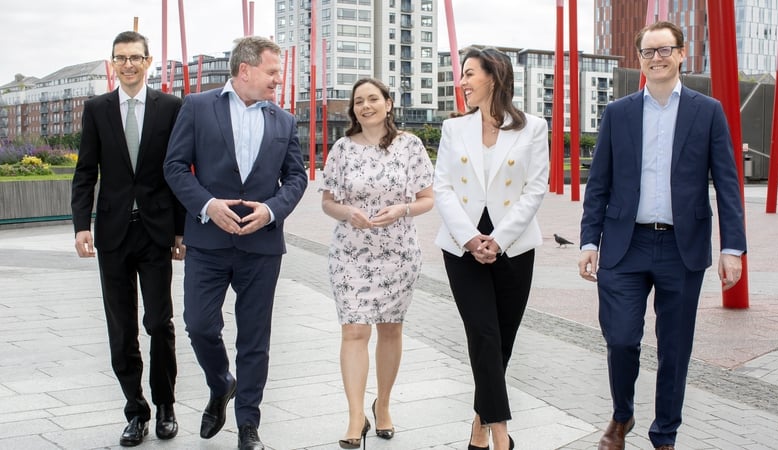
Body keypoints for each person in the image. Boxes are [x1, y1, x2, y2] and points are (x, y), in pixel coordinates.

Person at [578, 21, 747, 450]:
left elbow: (727, 183)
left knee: (674, 348)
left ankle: (665, 434)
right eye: (649, 51)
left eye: (665, 49)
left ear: (682, 53)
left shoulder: (707, 111)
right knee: (620, 339)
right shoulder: (618, 113)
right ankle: (622, 414)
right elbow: (598, 183)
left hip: (681, 247)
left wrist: (732, 248)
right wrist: (588, 241)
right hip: (624, 245)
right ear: (639, 60)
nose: (657, 57)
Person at [163, 36, 307, 450]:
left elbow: (296, 178)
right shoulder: (197, 106)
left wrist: (272, 210)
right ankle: (220, 382)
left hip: (261, 247)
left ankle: (248, 426)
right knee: (199, 325)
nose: (278, 80)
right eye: (272, 71)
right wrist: (207, 205)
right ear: (245, 70)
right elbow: (174, 166)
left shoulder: (283, 120)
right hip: (208, 242)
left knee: (254, 339)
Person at [71, 31, 184, 447]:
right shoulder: (96, 109)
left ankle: (166, 406)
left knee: (159, 323)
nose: (129, 64)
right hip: (113, 235)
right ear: (112, 64)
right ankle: (136, 411)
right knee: (121, 330)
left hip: (155, 233)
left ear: (149, 61)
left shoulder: (170, 107)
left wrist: (180, 229)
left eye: (136, 57)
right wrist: (82, 225)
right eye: (121, 58)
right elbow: (85, 172)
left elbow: (179, 171)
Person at [433, 47, 549, 450]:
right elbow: (443, 187)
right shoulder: (454, 128)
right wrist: (470, 238)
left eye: (469, 74)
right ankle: (501, 436)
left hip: (513, 246)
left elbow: (536, 188)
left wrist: (499, 240)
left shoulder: (533, 127)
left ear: (494, 78)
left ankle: (478, 426)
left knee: (501, 341)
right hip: (462, 245)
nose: (462, 82)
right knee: (482, 332)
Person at [321, 78, 434, 449]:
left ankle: (382, 404)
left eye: (373, 99)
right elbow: (328, 202)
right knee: (354, 330)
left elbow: (427, 199)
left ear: (388, 104)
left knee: (390, 329)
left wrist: (403, 208)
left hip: (398, 253)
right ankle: (356, 415)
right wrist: (346, 213)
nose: (365, 106)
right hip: (350, 253)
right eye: (358, 101)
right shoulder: (341, 148)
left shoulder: (410, 146)